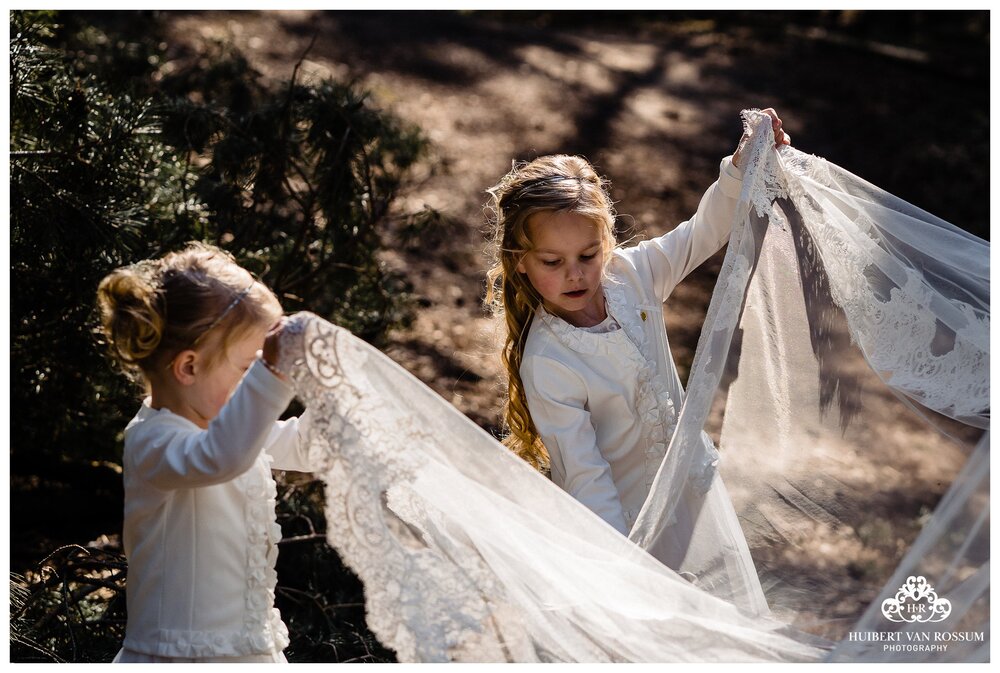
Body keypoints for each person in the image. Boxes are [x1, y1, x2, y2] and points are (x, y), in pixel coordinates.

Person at [485, 109, 789, 535]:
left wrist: (739, 168)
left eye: (588, 255)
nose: (575, 274)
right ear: (519, 262)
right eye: (553, 261)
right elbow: (585, 478)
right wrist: (626, 566)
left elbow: (702, 232)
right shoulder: (549, 361)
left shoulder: (631, 275)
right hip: (627, 527)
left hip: (692, 494)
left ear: (606, 241)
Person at [96, 242, 315, 663]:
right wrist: (273, 377)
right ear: (190, 367)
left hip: (250, 652)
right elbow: (220, 457)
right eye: (250, 368)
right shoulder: (154, 443)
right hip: (180, 659)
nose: (258, 383)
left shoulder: (228, 426)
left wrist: (348, 406)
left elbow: (303, 446)